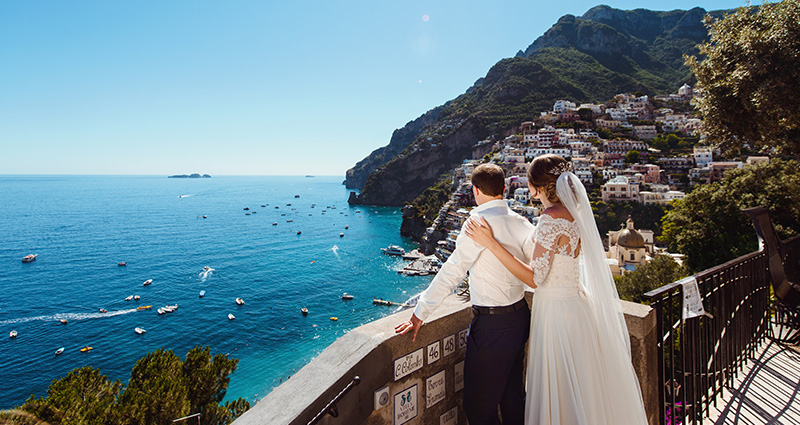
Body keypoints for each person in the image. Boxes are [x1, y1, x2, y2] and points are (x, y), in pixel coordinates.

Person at [464, 154, 648, 425]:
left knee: (560, 386)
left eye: (528, 180)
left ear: (537, 185)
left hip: (556, 313)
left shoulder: (550, 218)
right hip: (577, 306)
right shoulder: (574, 214)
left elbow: (535, 278)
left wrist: (491, 243)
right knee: (582, 388)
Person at [395, 163, 535, 425]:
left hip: (493, 325)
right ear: (504, 190)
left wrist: (420, 313)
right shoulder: (522, 222)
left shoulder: (477, 223)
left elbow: (453, 271)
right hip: (520, 318)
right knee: (513, 398)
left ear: (475, 191)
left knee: (479, 407)